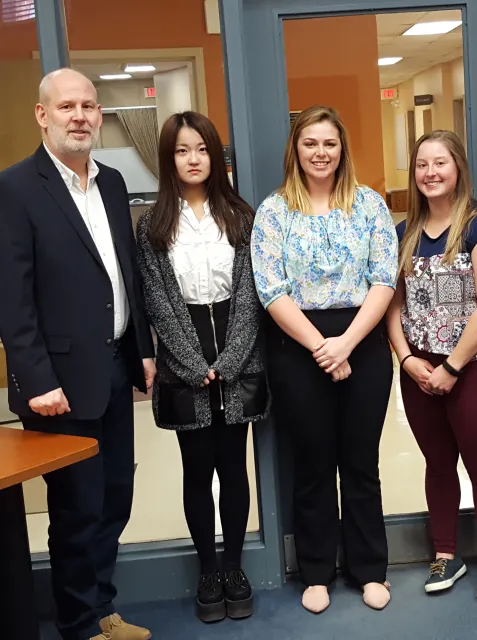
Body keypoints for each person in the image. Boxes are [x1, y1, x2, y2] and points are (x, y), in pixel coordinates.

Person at [0, 68, 156, 640]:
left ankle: (103, 608)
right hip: (57, 386)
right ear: (43, 115)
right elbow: (11, 300)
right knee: (75, 509)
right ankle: (79, 624)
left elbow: (125, 277)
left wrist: (141, 349)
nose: (80, 116)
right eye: (67, 106)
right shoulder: (15, 189)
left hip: (114, 368)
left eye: (89, 105)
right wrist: (36, 378)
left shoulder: (112, 183)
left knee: (116, 497)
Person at [251, 105, 397, 614]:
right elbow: (271, 290)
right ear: (296, 149)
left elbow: (384, 280)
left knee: (361, 462)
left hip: (363, 342)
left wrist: (347, 344)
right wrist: (321, 346)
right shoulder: (274, 212)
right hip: (299, 347)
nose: (320, 153)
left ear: (342, 149)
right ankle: (316, 571)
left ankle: (369, 569)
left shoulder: (371, 206)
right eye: (310, 143)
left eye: (329, 143)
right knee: (312, 464)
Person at [135, 112, 270, 623]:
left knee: (234, 469)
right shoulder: (153, 224)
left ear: (215, 156)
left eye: (202, 150)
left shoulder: (240, 215)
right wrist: (193, 363)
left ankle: (235, 567)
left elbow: (254, 294)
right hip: (181, 359)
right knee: (197, 471)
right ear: (169, 160)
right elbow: (156, 300)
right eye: (181, 151)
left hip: (236, 352)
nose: (193, 159)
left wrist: (231, 359)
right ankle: (208, 570)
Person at [386, 130, 477, 604]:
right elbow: (392, 304)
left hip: (473, 368)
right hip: (419, 370)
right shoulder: (404, 235)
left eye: (440, 163)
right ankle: (446, 554)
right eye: (422, 165)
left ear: (457, 167)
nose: (430, 173)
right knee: (437, 466)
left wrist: (452, 367)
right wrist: (407, 358)